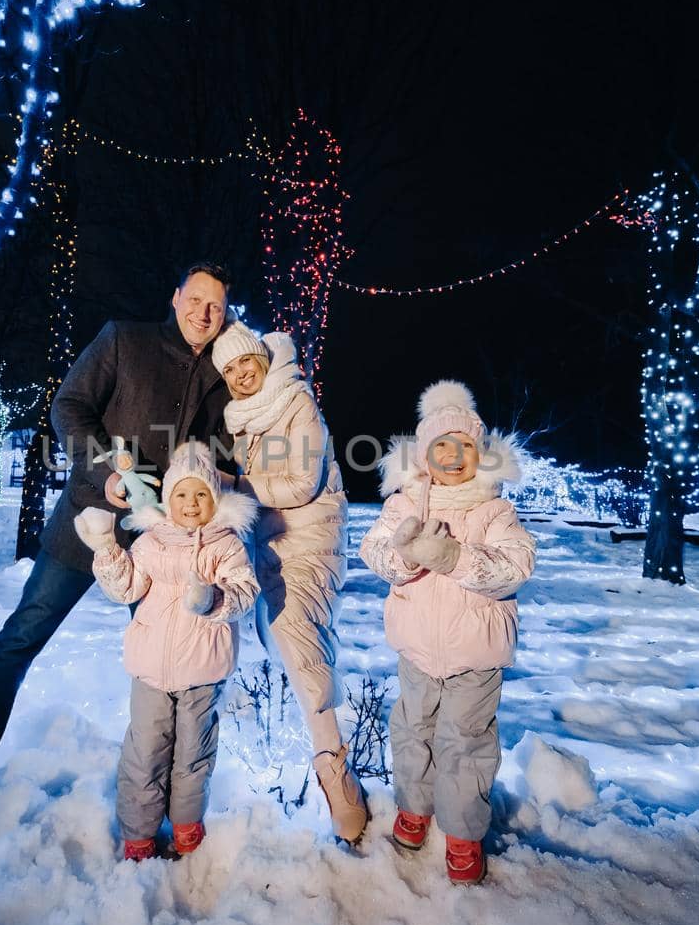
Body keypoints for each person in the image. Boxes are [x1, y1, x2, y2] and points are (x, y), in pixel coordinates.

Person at [0, 263, 235, 885]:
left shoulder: (224, 372)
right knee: (19, 639)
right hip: (89, 522)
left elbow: (225, 454)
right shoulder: (124, 340)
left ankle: (160, 810)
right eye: (196, 300)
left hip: (162, 545)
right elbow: (69, 406)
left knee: (170, 672)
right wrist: (108, 471)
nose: (204, 313)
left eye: (216, 306)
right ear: (176, 297)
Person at [358, 381, 536, 884]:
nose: (454, 456)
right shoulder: (405, 503)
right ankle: (415, 806)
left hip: (475, 657)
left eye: (465, 446)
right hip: (416, 651)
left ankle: (462, 831)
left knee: (465, 741)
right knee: (413, 731)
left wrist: (455, 558)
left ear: (480, 454)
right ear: (424, 455)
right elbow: (374, 553)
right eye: (442, 445)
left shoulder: (493, 510)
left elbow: (516, 565)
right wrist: (407, 555)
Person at [210, 323, 368, 841]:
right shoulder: (242, 419)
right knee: (247, 624)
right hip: (270, 544)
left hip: (310, 540)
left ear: (261, 357)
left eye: (244, 363)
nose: (238, 375)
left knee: (295, 630)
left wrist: (233, 486)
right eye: (228, 370)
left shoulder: (296, 400)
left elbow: (302, 481)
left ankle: (334, 768)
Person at [74, 442, 259, 860]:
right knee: (145, 752)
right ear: (168, 499)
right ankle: (138, 831)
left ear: (213, 500)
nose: (191, 504)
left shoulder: (225, 545)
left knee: (194, 753)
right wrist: (107, 550)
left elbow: (245, 593)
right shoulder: (150, 543)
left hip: (202, 670)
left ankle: (186, 823)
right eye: (181, 494)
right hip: (151, 671)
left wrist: (212, 599)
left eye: (200, 495)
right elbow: (126, 589)